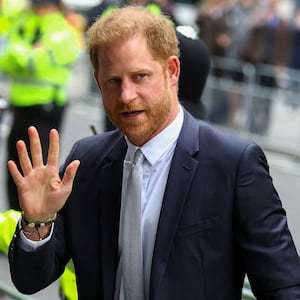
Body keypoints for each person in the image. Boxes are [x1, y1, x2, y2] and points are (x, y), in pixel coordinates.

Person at [6, 6, 300, 300]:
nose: (126, 95)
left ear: (172, 71)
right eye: (113, 81)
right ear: (98, 82)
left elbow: (283, 287)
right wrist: (37, 223)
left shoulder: (233, 163)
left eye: (140, 76)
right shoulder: (86, 161)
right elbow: (30, 280)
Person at [0, 0, 81, 210]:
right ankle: (13, 225)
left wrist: (17, 51)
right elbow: (4, 57)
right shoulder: (23, 19)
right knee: (15, 172)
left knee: (38, 173)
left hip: (45, 109)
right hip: (19, 105)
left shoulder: (63, 28)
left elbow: (33, 62)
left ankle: (35, 226)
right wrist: (24, 52)